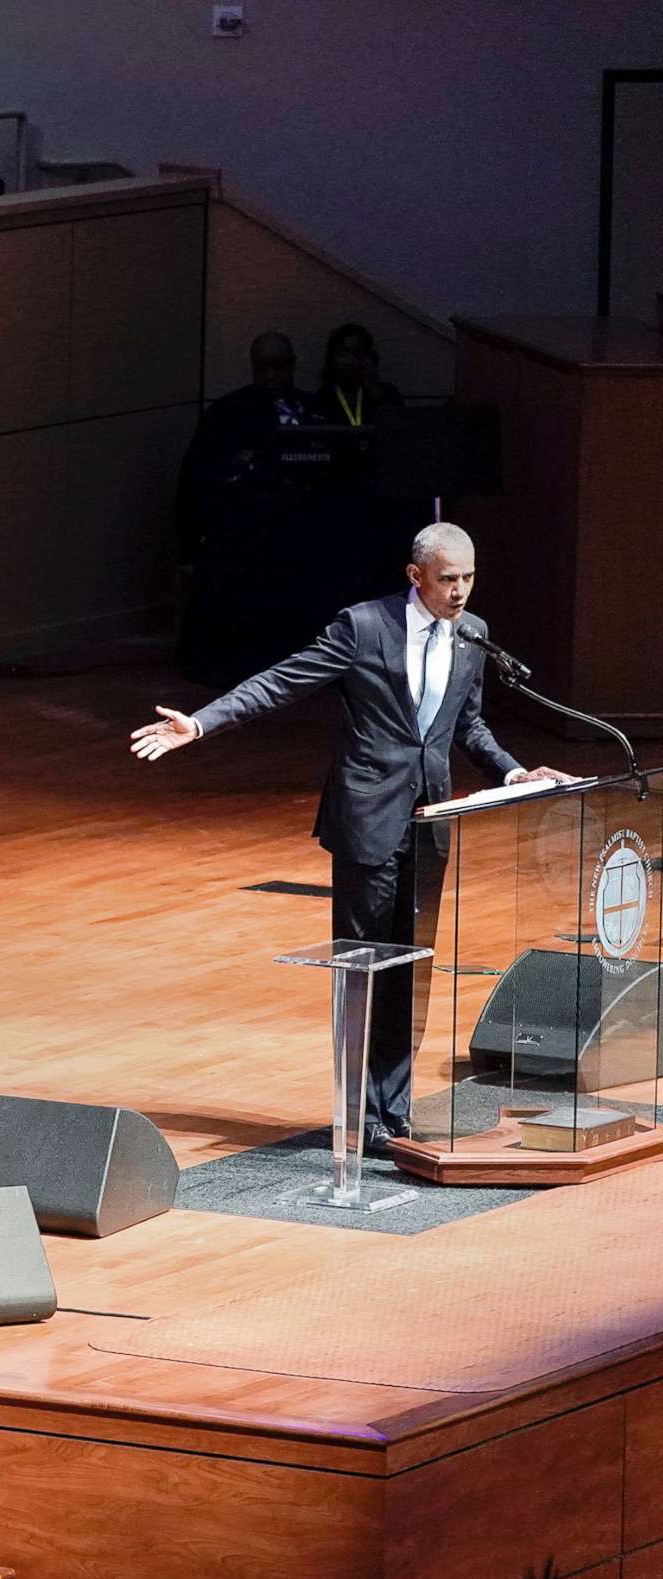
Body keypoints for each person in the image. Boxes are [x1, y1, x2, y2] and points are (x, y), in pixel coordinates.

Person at [129, 523, 571, 1149]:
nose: (461, 591)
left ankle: (394, 1110)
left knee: (411, 968)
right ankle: (358, 1112)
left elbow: (467, 725)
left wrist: (513, 770)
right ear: (415, 575)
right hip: (367, 820)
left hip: (429, 823)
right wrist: (200, 725)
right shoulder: (363, 627)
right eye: (448, 578)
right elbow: (280, 682)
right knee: (364, 967)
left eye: (469, 577)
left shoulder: (473, 636)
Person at [176, 330, 308, 562]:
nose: (270, 375)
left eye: (277, 366)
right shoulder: (225, 414)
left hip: (296, 533)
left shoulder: (312, 411)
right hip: (242, 537)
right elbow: (195, 479)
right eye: (261, 367)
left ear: (292, 365)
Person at [313, 322, 405, 430]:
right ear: (332, 359)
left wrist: (375, 392)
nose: (350, 361)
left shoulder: (388, 393)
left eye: (356, 354)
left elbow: (401, 430)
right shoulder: (321, 400)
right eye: (343, 354)